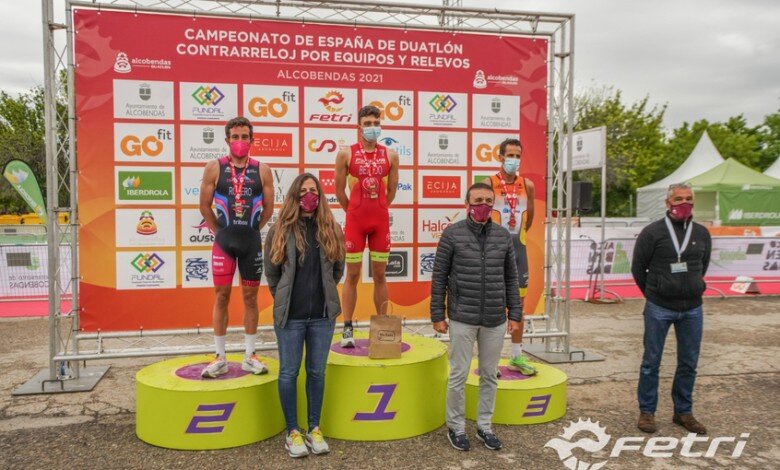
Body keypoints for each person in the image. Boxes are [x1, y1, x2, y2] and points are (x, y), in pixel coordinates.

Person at [430, 182, 523, 452]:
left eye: (488, 199)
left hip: (495, 319)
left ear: (494, 203)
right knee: (458, 375)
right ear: (467, 203)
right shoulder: (452, 235)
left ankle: (485, 426)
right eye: (477, 199)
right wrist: (438, 313)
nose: (483, 204)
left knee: (489, 376)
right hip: (462, 317)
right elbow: (439, 278)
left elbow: (511, 277)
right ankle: (456, 427)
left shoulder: (504, 236)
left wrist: (514, 313)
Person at [265, 173, 345, 458]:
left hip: (323, 317)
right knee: (288, 372)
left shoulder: (332, 228)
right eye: (303, 191)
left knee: (316, 372)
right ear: (294, 197)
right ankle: (292, 432)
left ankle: (314, 428)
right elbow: (272, 274)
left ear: (320, 196)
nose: (309, 196)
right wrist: (286, 299)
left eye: (314, 191)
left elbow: (337, 271)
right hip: (291, 318)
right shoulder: (280, 229)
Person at [631, 183, 711, 435]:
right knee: (650, 363)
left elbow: (703, 265)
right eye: (678, 199)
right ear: (667, 203)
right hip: (659, 307)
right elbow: (637, 268)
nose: (683, 203)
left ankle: (683, 412)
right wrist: (655, 292)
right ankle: (647, 412)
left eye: (688, 199)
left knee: (688, 363)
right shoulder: (652, 232)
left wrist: (691, 286)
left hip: (692, 309)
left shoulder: (701, 233)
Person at [198, 116, 274, 378]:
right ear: (227, 140)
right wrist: (220, 232)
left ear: (252, 140)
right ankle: (220, 357)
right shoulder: (214, 168)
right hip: (224, 244)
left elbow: (269, 209)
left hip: (251, 243)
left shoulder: (262, 169)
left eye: (244, 137)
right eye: (235, 137)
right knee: (221, 297)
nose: (240, 142)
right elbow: (204, 206)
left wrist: (253, 229)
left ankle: (249, 355)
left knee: (251, 299)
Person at [334, 105, 399, 347]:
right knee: (351, 275)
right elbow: (339, 191)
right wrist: (353, 211)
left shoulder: (390, 155)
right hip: (355, 222)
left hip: (379, 221)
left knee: (381, 275)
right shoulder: (346, 154)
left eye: (376, 123)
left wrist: (379, 207)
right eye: (367, 123)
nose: (372, 127)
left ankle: (383, 329)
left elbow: (391, 191)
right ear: (359, 127)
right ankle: (347, 328)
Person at [482, 138, 537, 376]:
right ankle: (490, 361)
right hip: (495, 250)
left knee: (518, 306)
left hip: (519, 249)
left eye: (517, 156)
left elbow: (530, 218)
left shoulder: (528, 185)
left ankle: (516, 357)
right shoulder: (488, 183)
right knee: (492, 305)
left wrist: (518, 238)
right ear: (500, 156)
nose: (514, 160)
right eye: (510, 155)